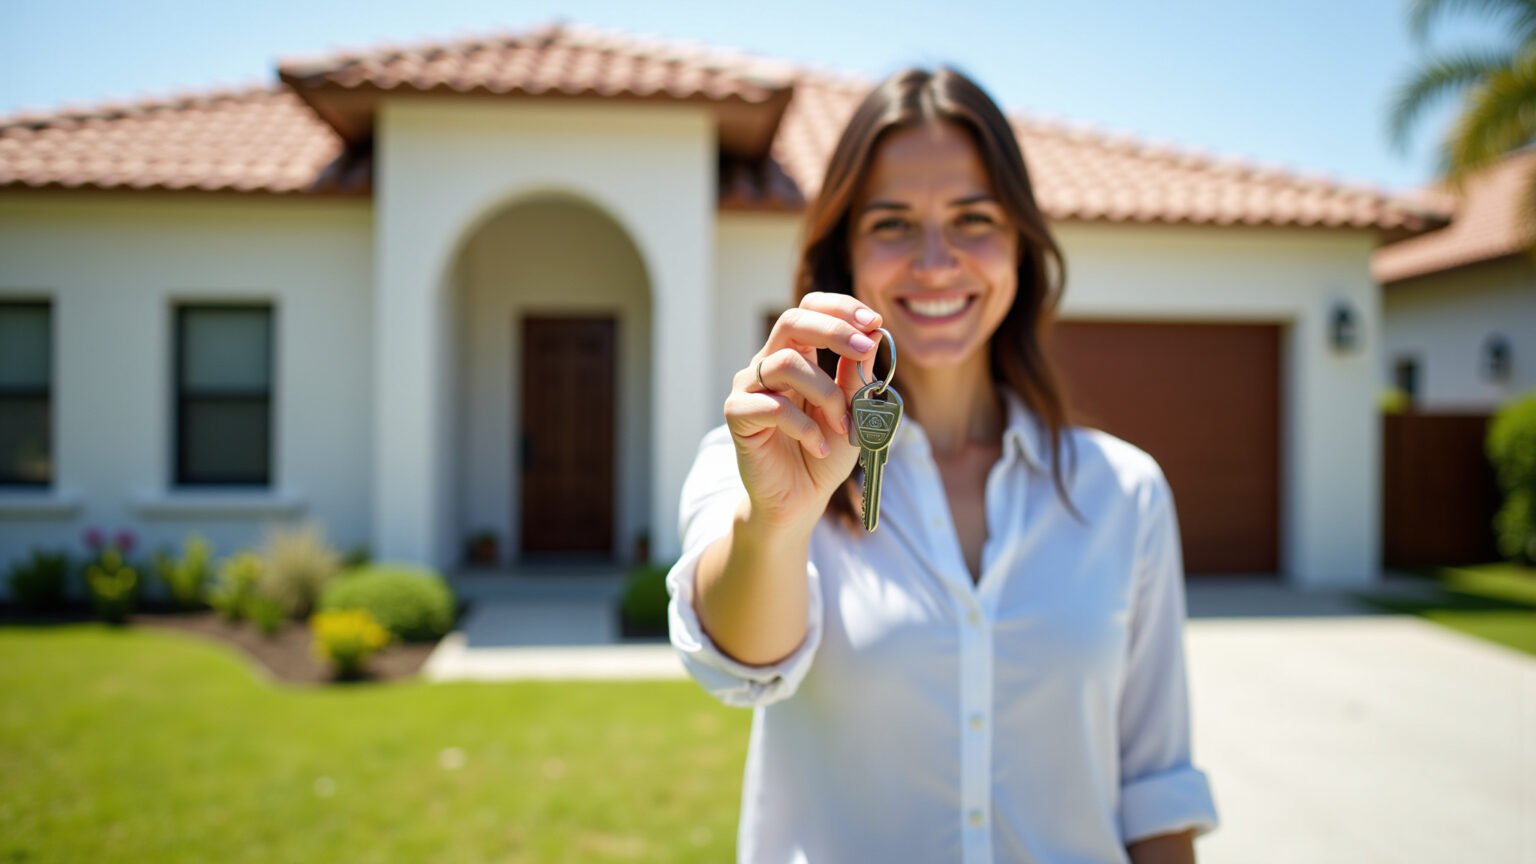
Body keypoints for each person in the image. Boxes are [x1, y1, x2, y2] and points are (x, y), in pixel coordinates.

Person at [666, 65, 1219, 863]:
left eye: (973, 218)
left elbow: (1156, 793)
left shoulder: (1125, 494)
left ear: (1021, 248)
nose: (935, 261)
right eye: (892, 223)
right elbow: (737, 663)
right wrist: (776, 526)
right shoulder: (756, 460)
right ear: (844, 255)